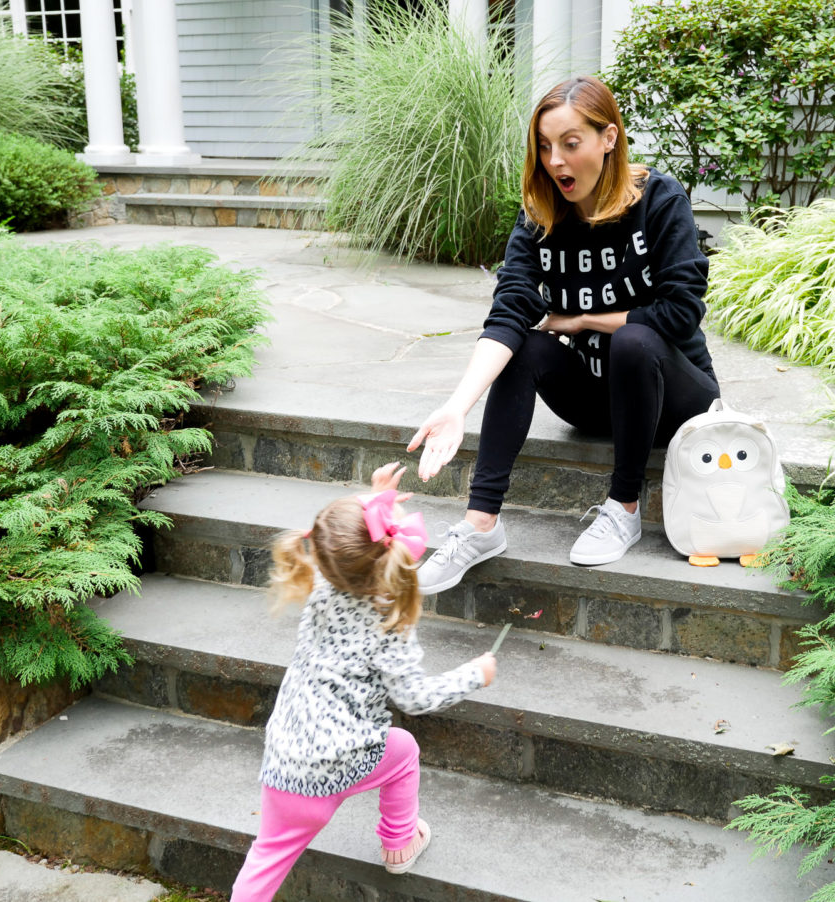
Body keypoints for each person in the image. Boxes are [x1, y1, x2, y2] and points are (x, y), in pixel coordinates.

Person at [408, 75, 719, 593]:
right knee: (526, 346)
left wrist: (582, 321)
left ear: (609, 139)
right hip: (598, 402)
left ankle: (623, 508)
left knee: (634, 339)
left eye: (570, 144)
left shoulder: (659, 200)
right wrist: (458, 407)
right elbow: (509, 312)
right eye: (546, 147)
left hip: (676, 399)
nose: (555, 161)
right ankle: (482, 524)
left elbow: (680, 312)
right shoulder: (540, 216)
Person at [229, 462, 496, 900]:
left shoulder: (318, 584)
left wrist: (375, 500)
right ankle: (399, 844)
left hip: (283, 764)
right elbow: (414, 696)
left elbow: (346, 548)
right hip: (340, 759)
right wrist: (475, 675)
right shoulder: (389, 622)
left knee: (263, 863)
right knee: (404, 750)